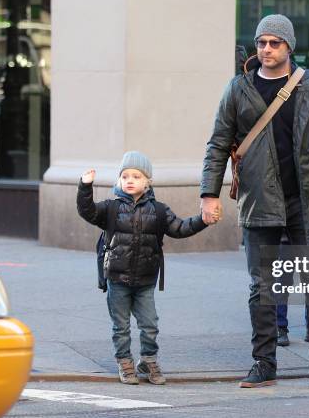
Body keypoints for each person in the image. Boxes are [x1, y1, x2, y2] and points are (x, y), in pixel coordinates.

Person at [200, 14, 309, 388]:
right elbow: (218, 144)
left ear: (289, 46)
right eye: (261, 43)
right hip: (259, 202)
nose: (266, 49)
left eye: (274, 43)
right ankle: (264, 363)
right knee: (263, 288)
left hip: (306, 201)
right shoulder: (238, 89)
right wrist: (208, 195)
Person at [77, 151, 210, 385]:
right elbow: (87, 211)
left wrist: (202, 220)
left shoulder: (159, 210)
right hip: (117, 278)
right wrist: (85, 187)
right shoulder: (111, 208)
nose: (130, 180)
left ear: (148, 181)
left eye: (136, 176)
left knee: (150, 325)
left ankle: (148, 361)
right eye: (125, 176)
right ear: (119, 180)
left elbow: (180, 228)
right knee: (121, 327)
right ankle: (125, 362)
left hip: (146, 280)